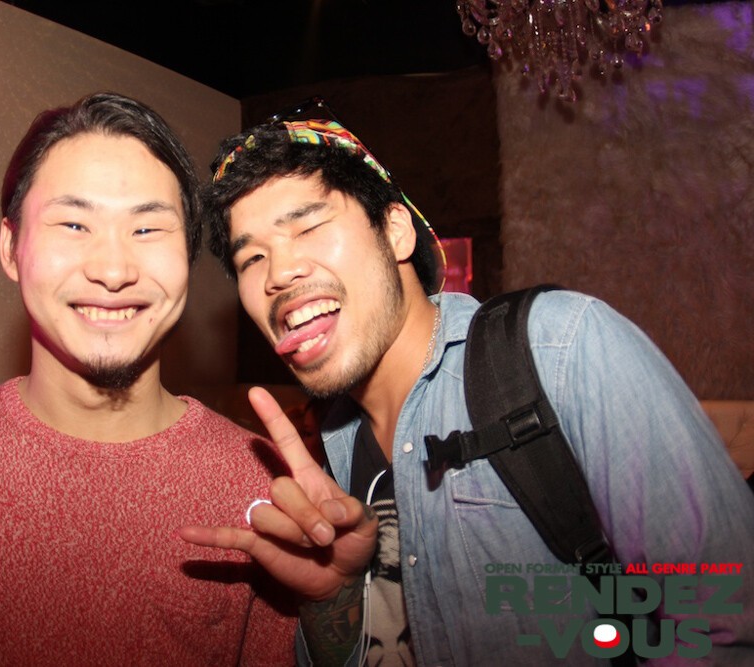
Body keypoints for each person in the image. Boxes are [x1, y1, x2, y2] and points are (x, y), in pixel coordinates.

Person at [181, 101, 754, 665]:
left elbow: (725, 626)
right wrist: (332, 597)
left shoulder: (560, 348)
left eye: (307, 226)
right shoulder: (335, 447)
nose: (279, 274)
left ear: (395, 231)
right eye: (252, 259)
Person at [0, 92, 295, 665]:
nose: (113, 271)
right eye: (73, 223)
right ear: (11, 247)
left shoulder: (262, 484)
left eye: (148, 228)